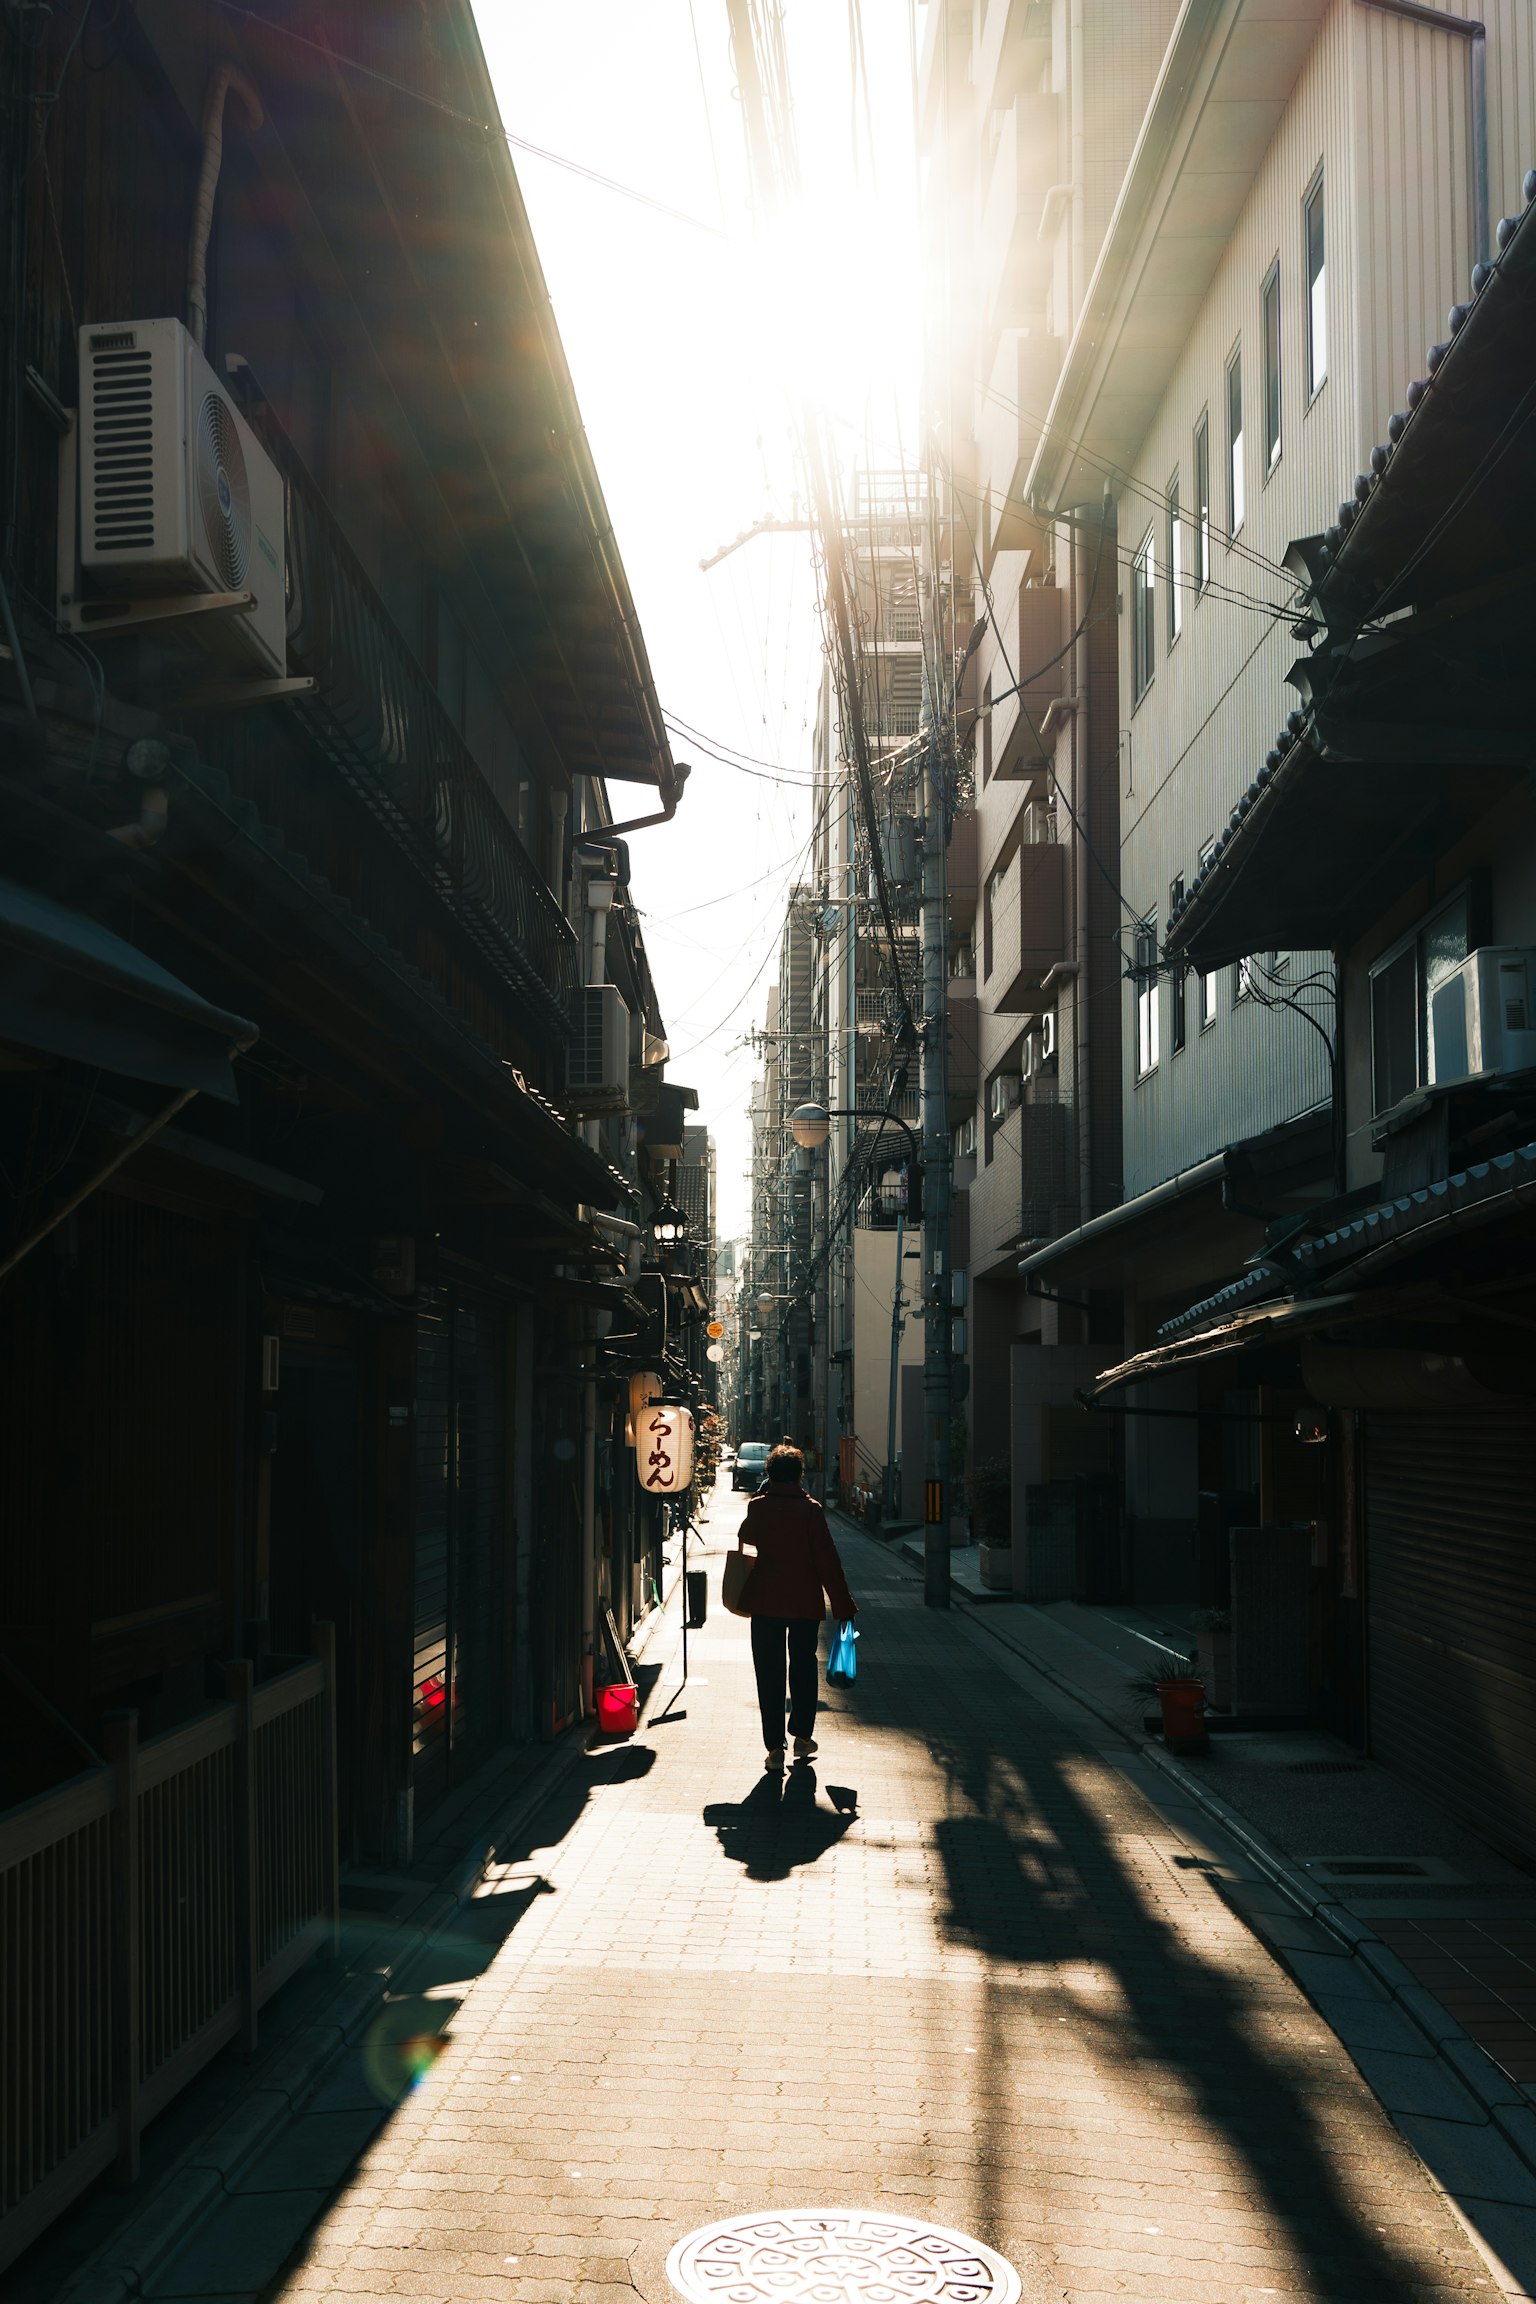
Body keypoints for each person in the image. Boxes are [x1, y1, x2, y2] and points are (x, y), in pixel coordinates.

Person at [737, 1442, 856, 1770]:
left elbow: (746, 1536)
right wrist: (843, 1605)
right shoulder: (812, 1511)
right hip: (804, 1602)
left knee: (769, 1672)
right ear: (800, 1476)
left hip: (765, 1602)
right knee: (803, 1667)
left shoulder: (759, 1507)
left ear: (770, 1474)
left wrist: (761, 1498)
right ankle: (802, 1738)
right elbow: (827, 1561)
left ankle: (774, 1748)